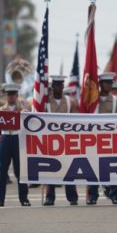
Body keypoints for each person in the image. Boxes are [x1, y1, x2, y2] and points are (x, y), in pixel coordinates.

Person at [87, 72, 117, 205]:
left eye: (110, 83)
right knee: (92, 167)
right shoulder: (91, 100)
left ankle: (115, 194)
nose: (109, 85)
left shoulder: (116, 100)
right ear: (100, 84)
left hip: (111, 138)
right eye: (106, 83)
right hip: (94, 139)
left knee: (114, 167)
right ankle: (92, 195)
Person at [42, 75, 79, 206]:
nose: (58, 87)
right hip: (50, 140)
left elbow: (76, 121)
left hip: (66, 140)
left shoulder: (70, 102)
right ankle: (49, 197)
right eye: (56, 85)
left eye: (60, 85)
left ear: (63, 86)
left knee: (69, 169)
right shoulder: (45, 103)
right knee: (50, 169)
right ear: (52, 87)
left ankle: (72, 197)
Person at [0, 83, 31, 207]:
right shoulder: (1, 110)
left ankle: (24, 198)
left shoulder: (23, 110)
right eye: (9, 94)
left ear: (17, 95)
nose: (11, 97)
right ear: (6, 95)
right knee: (2, 171)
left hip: (17, 139)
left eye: (13, 94)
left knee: (20, 171)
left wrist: (26, 114)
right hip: (5, 139)